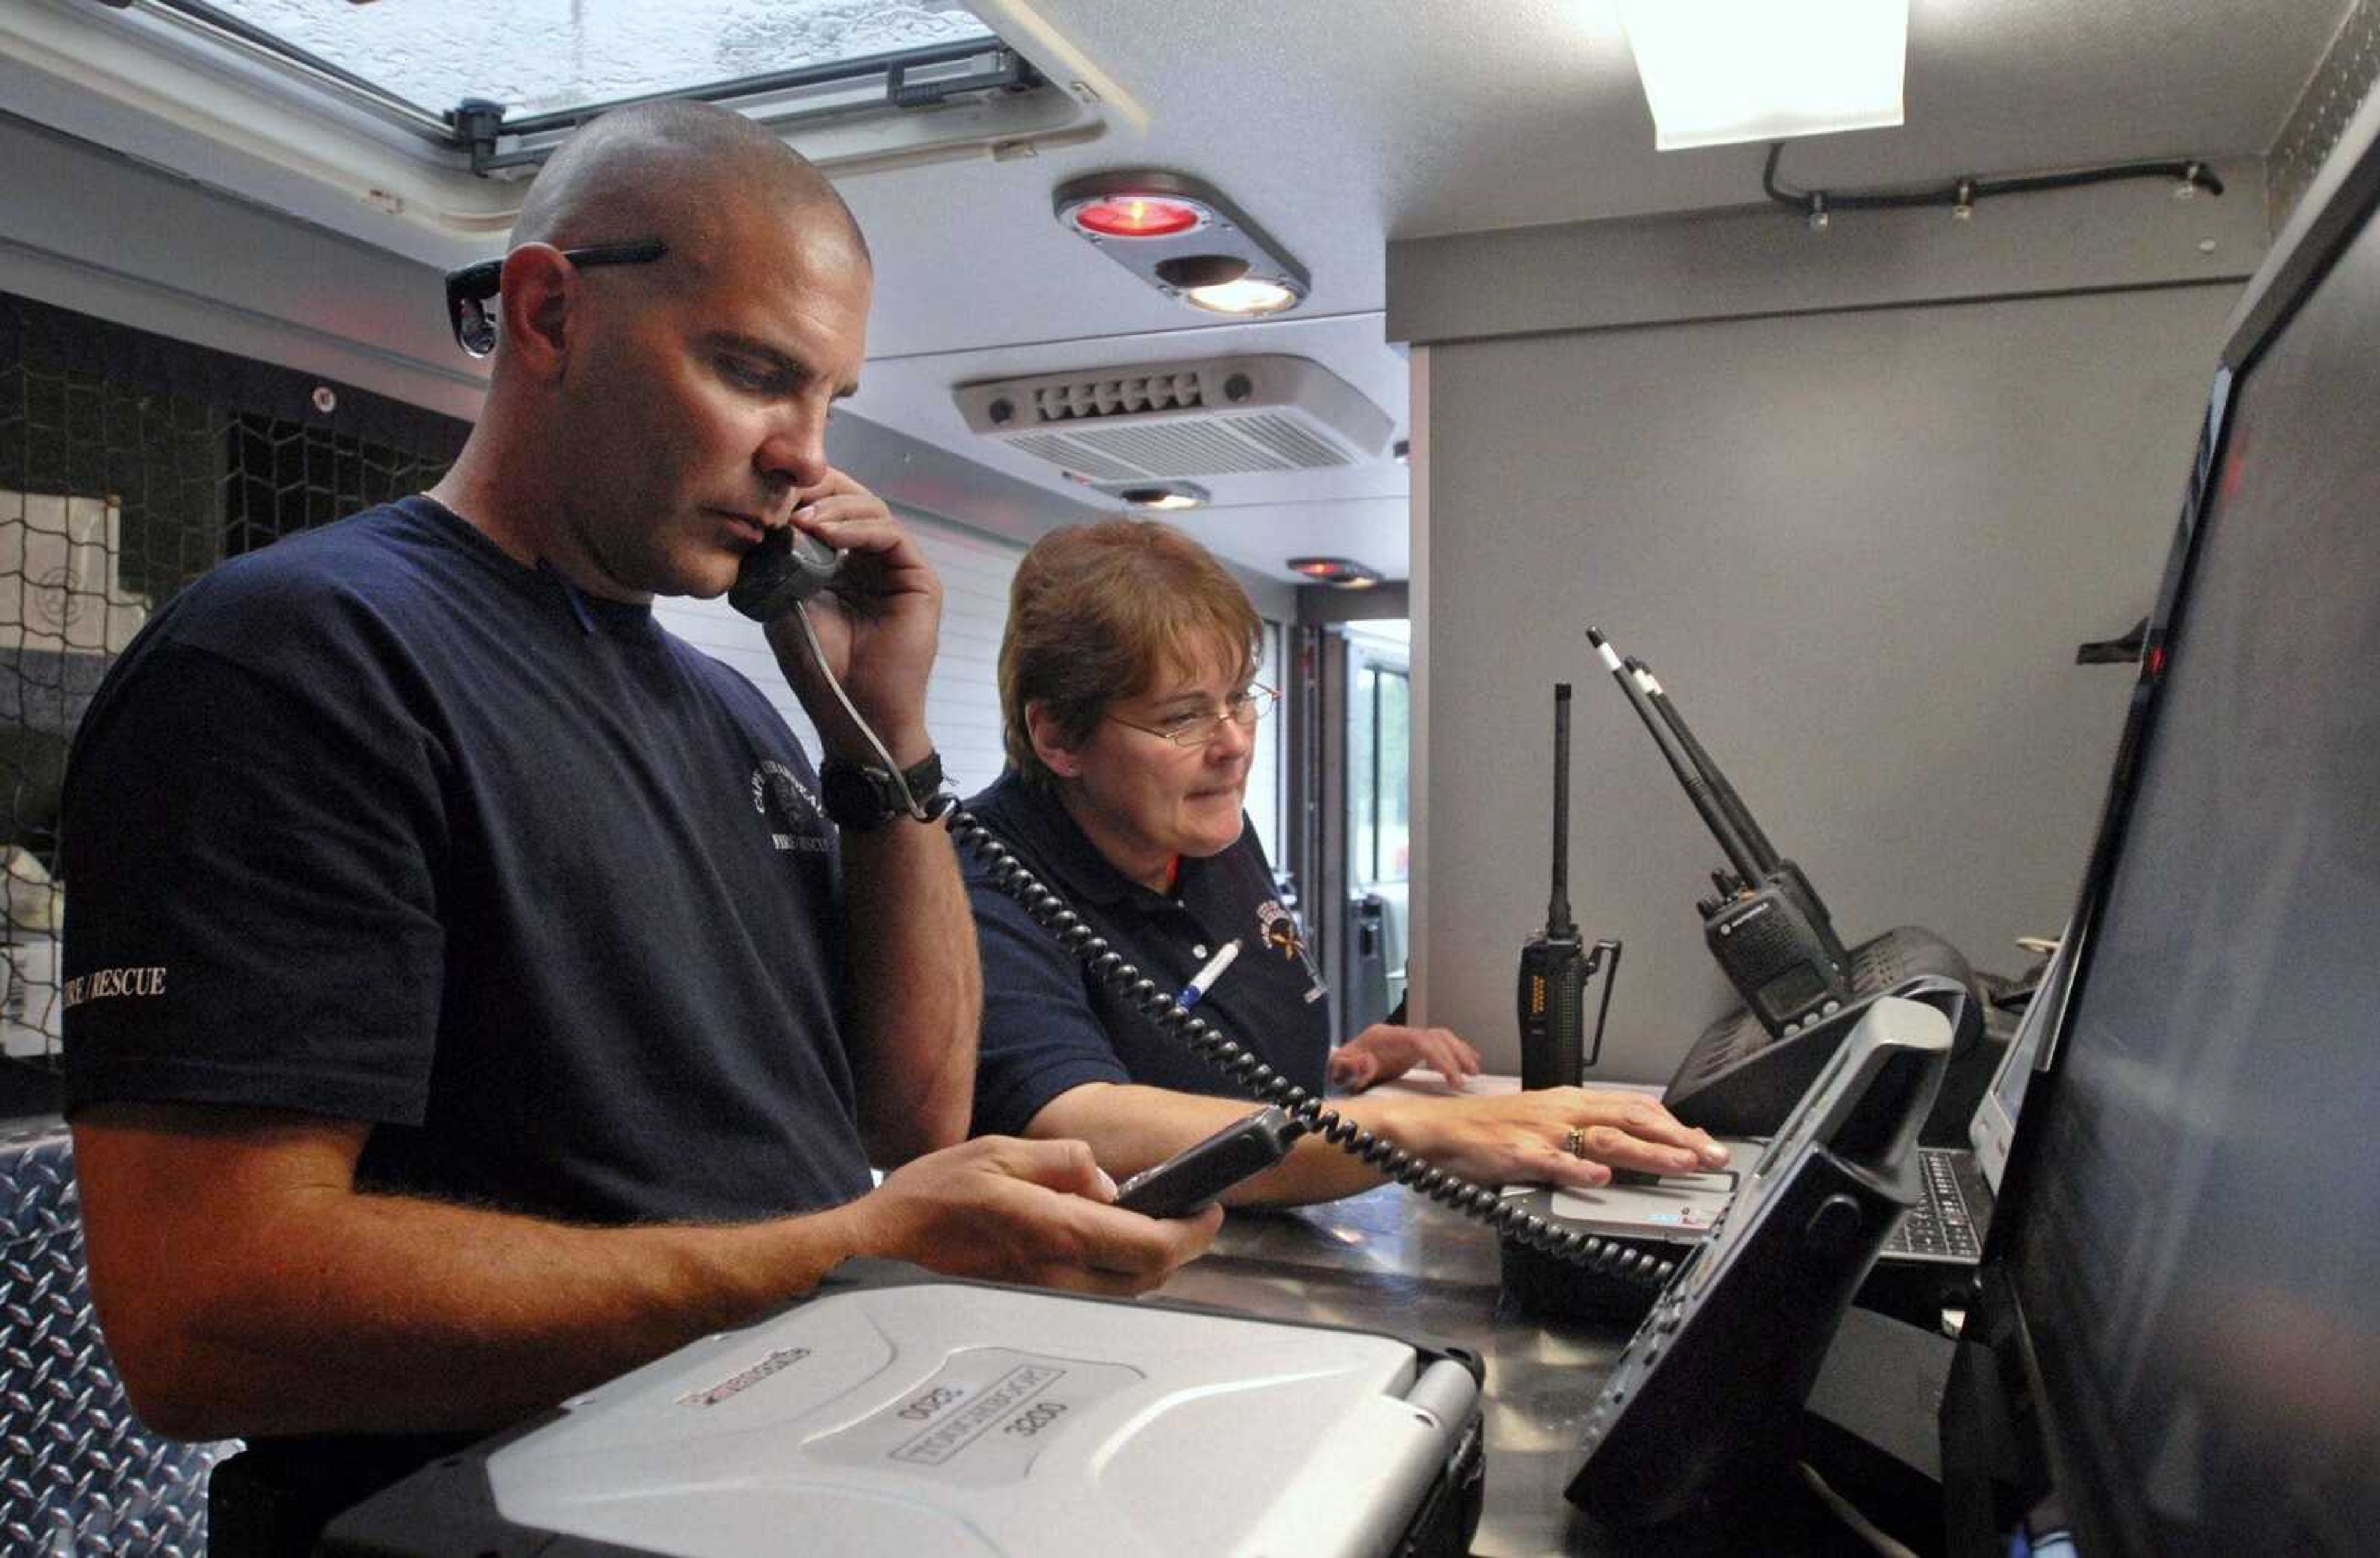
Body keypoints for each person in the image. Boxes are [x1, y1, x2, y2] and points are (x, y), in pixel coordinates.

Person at [56, 102, 1214, 1531]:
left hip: (756, 1476)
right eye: (752, 373)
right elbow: (207, 1316)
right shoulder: (302, 654)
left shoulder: (727, 710)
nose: (805, 455)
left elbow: (911, 1110)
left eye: (829, 400)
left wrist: (885, 733)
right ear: (546, 317)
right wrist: (830, 1254)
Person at [962, 519, 1729, 1205]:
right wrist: (1429, 1130)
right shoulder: (982, 879)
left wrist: (1335, 1065)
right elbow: (1078, 1120)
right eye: (1184, 715)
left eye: (1239, 698)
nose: (1233, 743)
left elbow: (1181, 1042)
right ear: (1058, 736)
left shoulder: (1200, 826)